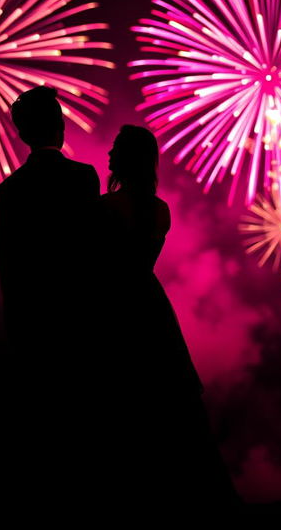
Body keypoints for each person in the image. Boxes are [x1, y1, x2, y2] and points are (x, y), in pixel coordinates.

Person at [92, 124, 242, 512]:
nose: (108, 156)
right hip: (150, 304)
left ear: (126, 158)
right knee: (170, 405)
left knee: (123, 404)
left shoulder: (105, 209)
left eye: (115, 149)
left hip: (116, 306)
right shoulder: (160, 211)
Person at [0, 85, 100, 501]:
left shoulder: (8, 194)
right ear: (58, 125)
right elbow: (94, 258)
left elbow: (10, 272)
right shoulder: (83, 179)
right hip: (82, 327)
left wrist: (18, 334)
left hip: (35, 330)